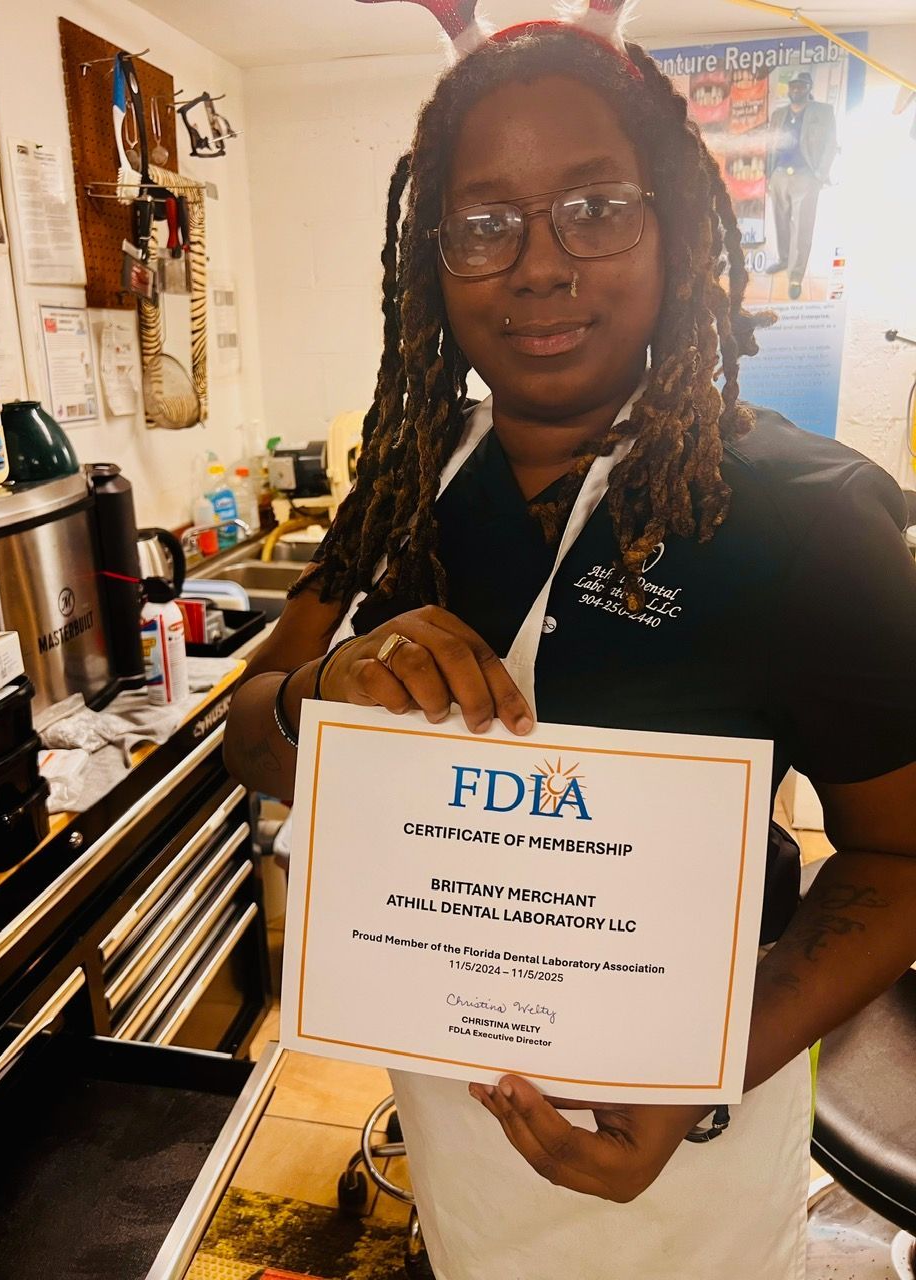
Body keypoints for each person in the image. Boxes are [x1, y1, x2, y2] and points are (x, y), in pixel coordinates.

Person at [224, 15, 916, 1280]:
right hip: (452, 1121)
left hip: (689, 1149)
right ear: (433, 260)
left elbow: (903, 854)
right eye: (484, 223)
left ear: (674, 228)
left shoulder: (808, 518)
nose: (539, 267)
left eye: (595, 208)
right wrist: (328, 686)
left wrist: (708, 1063)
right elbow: (252, 731)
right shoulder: (405, 488)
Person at [767, 71, 838, 299]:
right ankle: (784, 260)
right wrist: (769, 175)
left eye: (801, 86)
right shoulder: (779, 114)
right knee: (781, 221)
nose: (796, 89)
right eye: (793, 86)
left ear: (809, 88)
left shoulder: (823, 112)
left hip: (806, 176)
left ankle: (796, 276)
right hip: (779, 174)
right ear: (789, 89)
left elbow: (831, 144)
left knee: (802, 227)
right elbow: (769, 144)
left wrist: (820, 174)